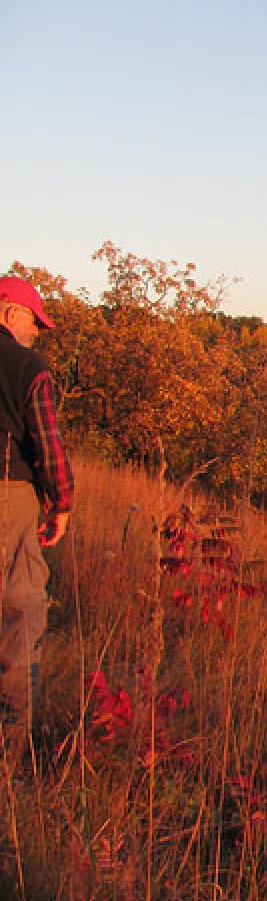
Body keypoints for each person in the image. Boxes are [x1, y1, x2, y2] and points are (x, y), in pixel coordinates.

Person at [0, 277, 73, 757]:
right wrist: (60, 502)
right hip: (11, 496)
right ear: (9, 314)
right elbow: (46, 444)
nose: (37, 332)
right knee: (20, 609)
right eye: (33, 320)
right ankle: (12, 745)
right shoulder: (28, 367)